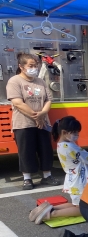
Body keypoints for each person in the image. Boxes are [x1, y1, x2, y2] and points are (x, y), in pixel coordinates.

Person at [29, 116, 88, 224]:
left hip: (73, 180)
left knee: (75, 205)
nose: (77, 135)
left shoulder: (62, 145)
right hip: (79, 181)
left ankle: (49, 208)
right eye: (74, 132)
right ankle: (51, 214)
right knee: (82, 209)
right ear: (64, 132)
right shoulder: (70, 147)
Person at [6, 52, 60, 190]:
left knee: (45, 150)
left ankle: (47, 176)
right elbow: (17, 102)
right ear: (21, 66)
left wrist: (43, 114)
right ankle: (27, 178)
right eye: (31, 66)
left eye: (36, 65)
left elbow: (48, 100)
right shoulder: (14, 81)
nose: (34, 68)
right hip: (23, 123)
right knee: (26, 151)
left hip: (43, 122)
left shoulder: (40, 81)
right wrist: (37, 116)